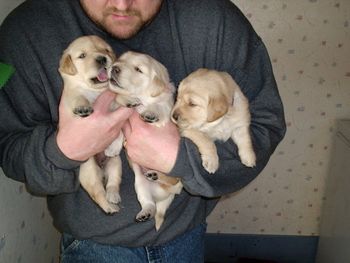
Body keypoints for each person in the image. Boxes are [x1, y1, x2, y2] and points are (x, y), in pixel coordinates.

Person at [0, 0, 286, 262]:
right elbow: (8, 145)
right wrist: (62, 151)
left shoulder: (215, 19)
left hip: (187, 234)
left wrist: (182, 158)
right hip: (92, 246)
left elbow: (265, 124)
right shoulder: (23, 32)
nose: (122, 5)